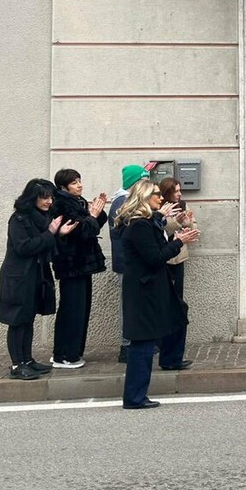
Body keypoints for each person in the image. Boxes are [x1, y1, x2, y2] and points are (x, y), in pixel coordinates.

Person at [114, 179, 200, 409]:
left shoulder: (145, 223)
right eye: (156, 194)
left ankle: (139, 393)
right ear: (143, 197)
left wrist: (169, 227)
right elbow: (155, 257)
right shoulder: (138, 226)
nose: (161, 198)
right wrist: (178, 242)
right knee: (142, 344)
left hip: (149, 289)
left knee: (170, 322)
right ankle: (135, 397)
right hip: (144, 291)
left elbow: (156, 247)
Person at [0, 179, 77, 380]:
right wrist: (51, 233)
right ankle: (17, 364)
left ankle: (27, 359)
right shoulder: (19, 219)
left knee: (28, 318)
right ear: (32, 198)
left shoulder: (42, 218)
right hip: (18, 277)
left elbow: (44, 243)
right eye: (44, 197)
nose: (49, 202)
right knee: (18, 320)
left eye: (51, 197)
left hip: (36, 275)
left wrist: (58, 234)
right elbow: (24, 247)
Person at [49, 168, 108, 369]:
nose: (80, 185)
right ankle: (66, 355)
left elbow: (93, 225)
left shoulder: (77, 201)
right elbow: (81, 232)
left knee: (80, 309)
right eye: (74, 183)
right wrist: (92, 216)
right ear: (63, 187)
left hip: (82, 265)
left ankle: (71, 352)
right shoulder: (62, 204)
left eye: (80, 181)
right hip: (71, 264)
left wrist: (97, 213)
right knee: (73, 309)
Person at [109, 164, 150, 363]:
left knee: (135, 304)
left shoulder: (128, 201)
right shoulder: (122, 203)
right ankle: (126, 345)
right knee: (129, 305)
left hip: (131, 263)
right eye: (143, 181)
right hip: (127, 264)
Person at [159, 176, 197, 301]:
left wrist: (188, 224)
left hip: (179, 257)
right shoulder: (158, 207)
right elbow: (161, 230)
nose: (179, 194)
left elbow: (194, 228)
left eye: (180, 190)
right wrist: (177, 222)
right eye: (176, 191)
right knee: (163, 295)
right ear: (167, 192)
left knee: (178, 294)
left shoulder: (183, 205)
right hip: (162, 257)